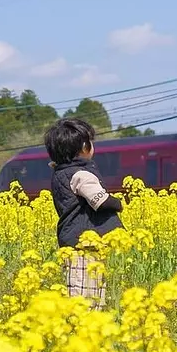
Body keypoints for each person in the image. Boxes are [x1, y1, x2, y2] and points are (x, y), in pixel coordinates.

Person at [44, 117, 123, 308]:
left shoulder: (60, 173)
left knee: (80, 289)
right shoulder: (81, 174)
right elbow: (99, 200)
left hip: (73, 241)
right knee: (88, 294)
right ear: (84, 147)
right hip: (85, 244)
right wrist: (117, 203)